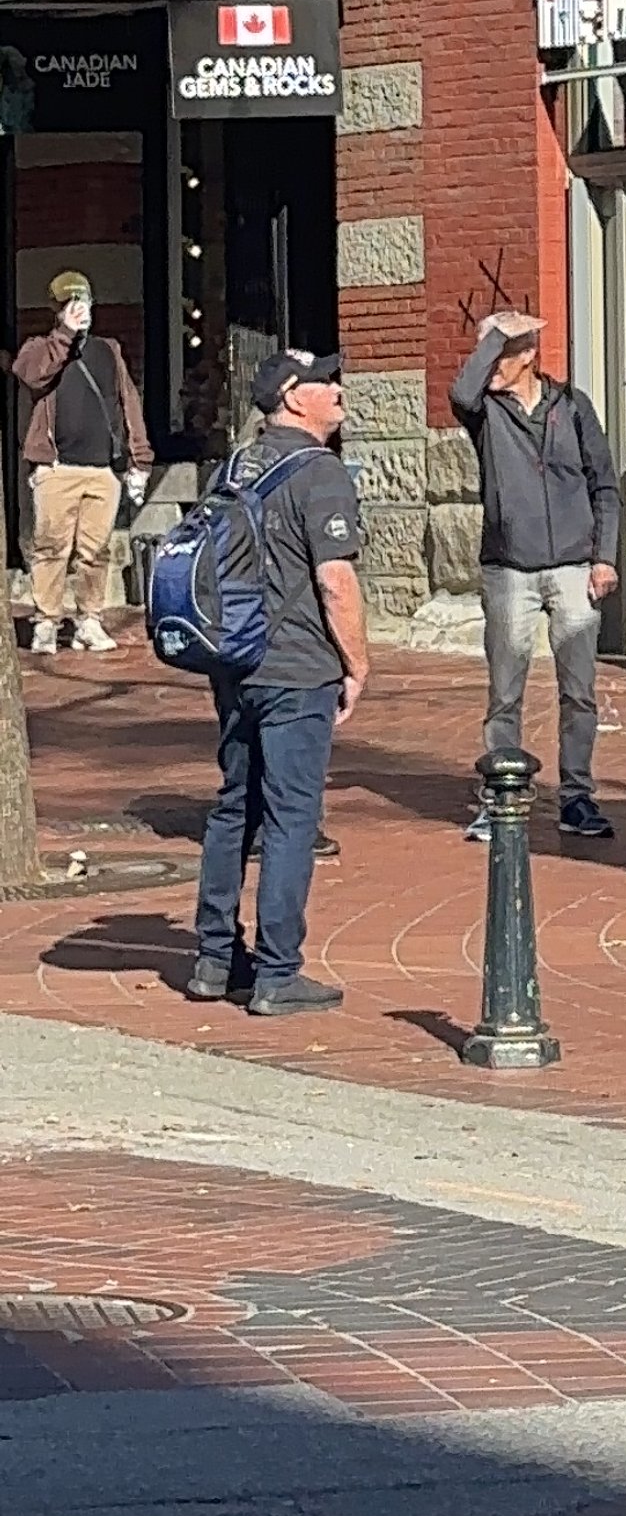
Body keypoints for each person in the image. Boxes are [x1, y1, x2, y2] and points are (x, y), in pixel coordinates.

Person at [187, 348, 367, 1017]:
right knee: (293, 817)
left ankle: (213, 959)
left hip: (234, 662)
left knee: (236, 804)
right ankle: (277, 972)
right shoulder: (321, 473)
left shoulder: (233, 467)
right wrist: (357, 665)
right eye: (327, 381)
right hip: (296, 669)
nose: (338, 388)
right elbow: (335, 581)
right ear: (295, 396)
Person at [451, 314, 622, 841]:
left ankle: (577, 797)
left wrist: (605, 557)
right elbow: (461, 389)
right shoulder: (485, 412)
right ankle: (500, 798)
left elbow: (605, 485)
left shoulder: (571, 406)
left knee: (579, 691)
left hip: (574, 566)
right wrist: (497, 339)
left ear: (528, 354)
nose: (488, 365)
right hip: (509, 570)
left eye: (499, 352)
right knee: (505, 691)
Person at [14, 270, 153, 657]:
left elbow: (129, 404)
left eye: (85, 302)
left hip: (101, 470)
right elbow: (33, 376)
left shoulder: (109, 350)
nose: (81, 310)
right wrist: (64, 336)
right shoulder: (38, 348)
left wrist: (139, 460)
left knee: (96, 551)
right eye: (71, 304)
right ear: (56, 310)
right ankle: (46, 621)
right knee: (51, 548)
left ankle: (89, 621)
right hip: (57, 470)